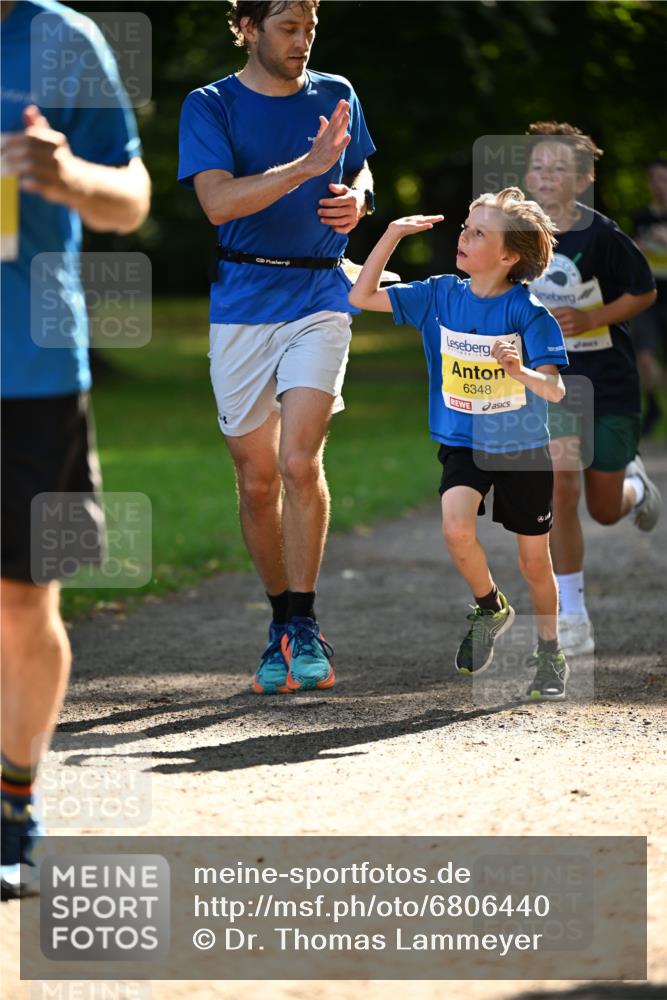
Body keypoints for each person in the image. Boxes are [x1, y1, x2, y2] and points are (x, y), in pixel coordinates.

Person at [177, 0, 375, 694]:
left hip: (322, 295)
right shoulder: (210, 104)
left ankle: (303, 621)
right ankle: (277, 619)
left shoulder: (337, 91)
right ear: (249, 28)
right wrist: (306, 166)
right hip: (241, 302)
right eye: (288, 28)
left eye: (310, 29)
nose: (303, 41)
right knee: (257, 479)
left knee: (297, 460)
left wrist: (357, 196)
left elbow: (361, 171)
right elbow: (218, 203)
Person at [1, 0, 150, 899]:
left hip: (30, 364)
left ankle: (14, 799)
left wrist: (66, 178)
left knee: (23, 600)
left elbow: (130, 199)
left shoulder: (64, 38)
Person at [349, 188, 572, 700]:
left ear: (509, 255)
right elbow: (360, 297)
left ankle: (548, 653)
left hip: (520, 448)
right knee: (454, 528)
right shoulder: (439, 294)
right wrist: (391, 235)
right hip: (463, 441)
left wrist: (518, 371)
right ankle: (491, 606)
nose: (463, 238)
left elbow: (556, 390)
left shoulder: (529, 313)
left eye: (478, 233)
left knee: (534, 563)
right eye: (466, 227)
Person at [524, 122, 661, 658]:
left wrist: (592, 317)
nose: (546, 175)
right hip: (554, 383)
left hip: (609, 382)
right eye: (538, 166)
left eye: (559, 168)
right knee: (561, 487)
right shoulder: (516, 230)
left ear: (582, 180)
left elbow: (644, 292)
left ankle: (635, 488)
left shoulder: (602, 235)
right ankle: (572, 615)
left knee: (604, 509)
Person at [631, 159, 667, 436]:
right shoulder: (641, 216)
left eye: (663, 179)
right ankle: (653, 405)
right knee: (644, 355)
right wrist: (639, 246)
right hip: (648, 292)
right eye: (654, 179)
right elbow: (630, 252)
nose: (659, 185)